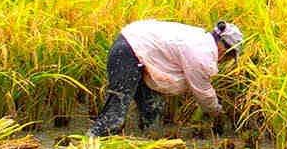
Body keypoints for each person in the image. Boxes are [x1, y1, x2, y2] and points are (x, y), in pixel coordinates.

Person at [91, 18, 245, 136]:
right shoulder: (201, 53)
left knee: (153, 109)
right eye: (229, 56)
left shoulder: (201, 39)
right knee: (114, 116)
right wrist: (217, 113)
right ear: (223, 47)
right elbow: (203, 92)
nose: (225, 60)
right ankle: (90, 146)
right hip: (128, 51)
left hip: (137, 50)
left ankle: (149, 146)